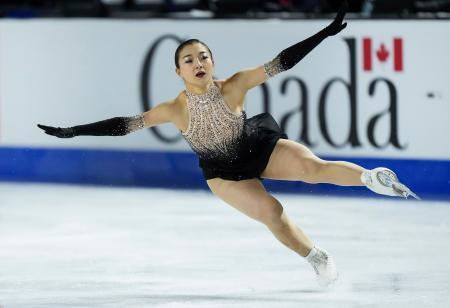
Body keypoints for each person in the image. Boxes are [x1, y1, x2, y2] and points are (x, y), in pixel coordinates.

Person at [37, 1, 418, 287]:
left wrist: (323, 33)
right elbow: (124, 125)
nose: (197, 62)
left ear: (212, 61)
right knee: (271, 211)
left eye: (203, 56)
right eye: (189, 59)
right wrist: (74, 131)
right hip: (225, 175)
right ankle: (316, 256)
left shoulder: (235, 84)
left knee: (311, 168)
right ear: (179, 71)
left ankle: (371, 178)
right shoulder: (173, 109)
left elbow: (280, 62)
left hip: (256, 145)